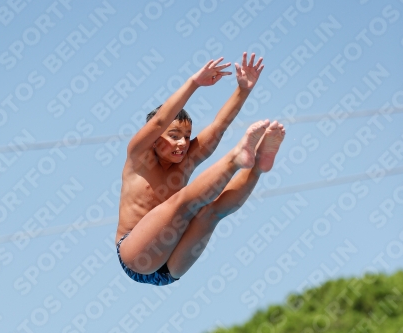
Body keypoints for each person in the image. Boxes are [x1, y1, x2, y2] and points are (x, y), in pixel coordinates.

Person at [115, 52, 285, 286]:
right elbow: (157, 122)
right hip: (137, 256)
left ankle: (257, 166)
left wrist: (243, 89)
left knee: (211, 213)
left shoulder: (185, 159)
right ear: (154, 139)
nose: (183, 143)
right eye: (174, 136)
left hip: (170, 270)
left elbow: (218, 127)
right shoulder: (138, 157)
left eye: (187, 136)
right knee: (182, 203)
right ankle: (236, 157)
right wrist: (194, 83)